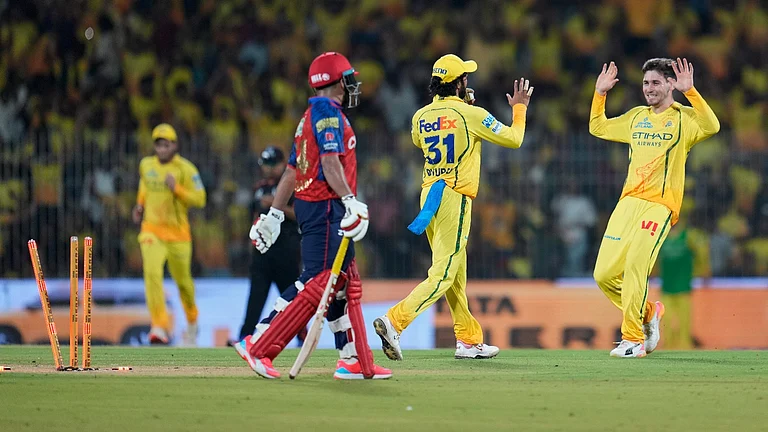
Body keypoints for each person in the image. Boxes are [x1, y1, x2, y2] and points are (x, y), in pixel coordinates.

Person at [235, 52, 392, 380]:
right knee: (319, 280)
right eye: (349, 78)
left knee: (346, 284)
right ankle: (258, 344)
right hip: (324, 206)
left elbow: (293, 169)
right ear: (338, 82)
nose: (354, 85)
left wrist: (275, 214)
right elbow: (331, 164)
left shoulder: (310, 115)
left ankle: (354, 360)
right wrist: (350, 199)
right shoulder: (326, 111)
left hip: (319, 205)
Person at [373, 54, 534, 360]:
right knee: (444, 273)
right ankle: (394, 322)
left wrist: (461, 110)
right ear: (459, 84)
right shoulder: (470, 115)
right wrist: (519, 109)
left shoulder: (420, 116)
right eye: (465, 78)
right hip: (454, 196)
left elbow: (421, 142)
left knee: (454, 274)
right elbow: (514, 139)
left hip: (429, 196)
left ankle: (469, 341)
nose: (468, 81)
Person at [589, 58, 719, 358]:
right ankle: (648, 314)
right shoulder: (636, 117)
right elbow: (597, 127)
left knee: (636, 265)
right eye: (646, 83)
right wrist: (600, 94)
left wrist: (692, 92)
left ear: (671, 84)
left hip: (659, 206)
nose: (649, 88)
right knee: (603, 274)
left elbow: (712, 126)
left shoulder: (685, 119)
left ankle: (632, 338)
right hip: (627, 203)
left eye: (656, 82)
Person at [132, 123, 207, 345]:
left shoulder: (186, 169)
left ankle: (192, 321)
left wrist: (178, 189)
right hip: (152, 231)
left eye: (166, 144)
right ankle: (159, 326)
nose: (162, 149)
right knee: (152, 273)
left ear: (174, 145)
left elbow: (200, 199)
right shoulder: (146, 165)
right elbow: (144, 188)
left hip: (178, 236)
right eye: (158, 145)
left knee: (184, 283)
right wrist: (139, 206)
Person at [236, 146, 302, 341]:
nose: (270, 168)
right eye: (266, 164)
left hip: (287, 253)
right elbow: (255, 218)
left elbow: (300, 214)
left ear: (283, 164)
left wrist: (276, 204)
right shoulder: (258, 188)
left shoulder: (293, 185)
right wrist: (252, 243)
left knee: (292, 302)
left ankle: (303, 338)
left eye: (274, 164)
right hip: (262, 255)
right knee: (255, 300)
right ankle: (243, 339)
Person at [658, 223, 695, 349]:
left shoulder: (688, 237)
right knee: (666, 320)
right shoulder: (662, 237)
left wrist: (704, 269)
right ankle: (668, 346)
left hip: (683, 286)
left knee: (684, 321)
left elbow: (701, 252)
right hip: (667, 287)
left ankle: (685, 346)